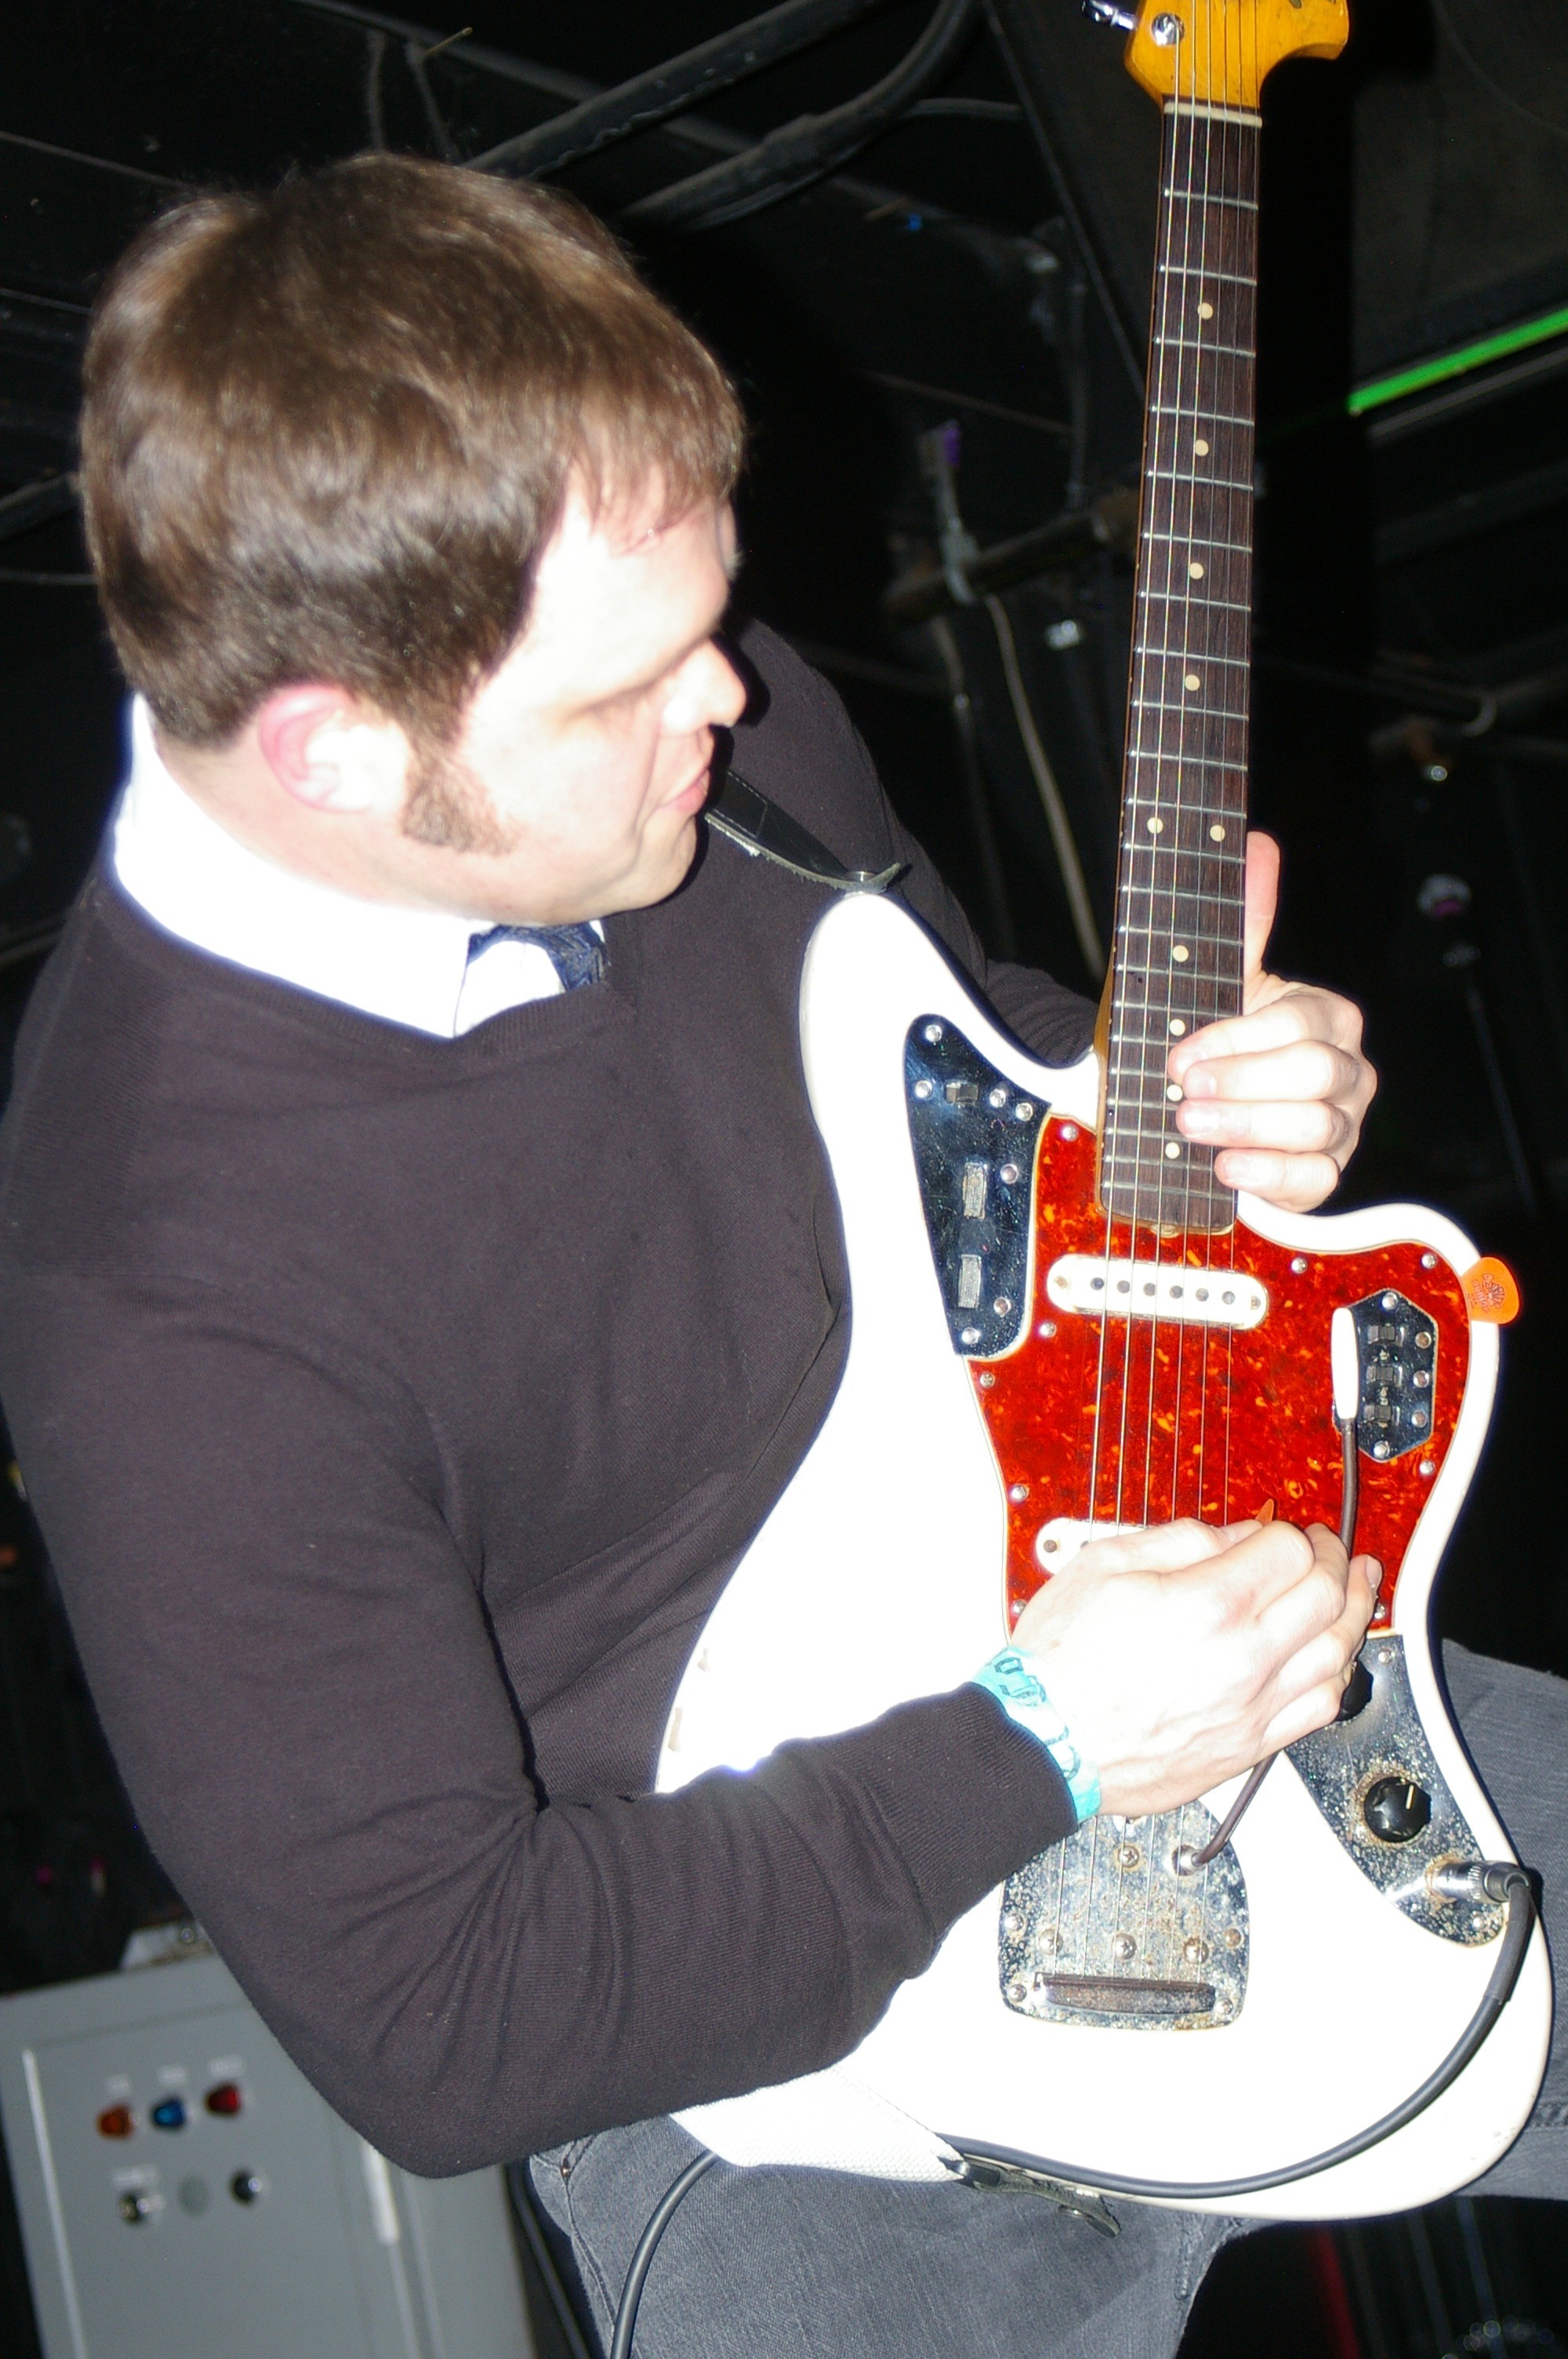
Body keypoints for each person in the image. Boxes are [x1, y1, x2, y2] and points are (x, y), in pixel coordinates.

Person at [0, 154, 1562, 2359]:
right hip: (758, 2048)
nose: (726, 703)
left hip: (1186, 1669)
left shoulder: (699, 738)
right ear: (336, 748)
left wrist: (1173, 1092)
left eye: (712, 625)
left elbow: (952, 1046)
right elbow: (444, 2020)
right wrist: (1042, 1740)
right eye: (633, 687)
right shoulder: (159, 1283)